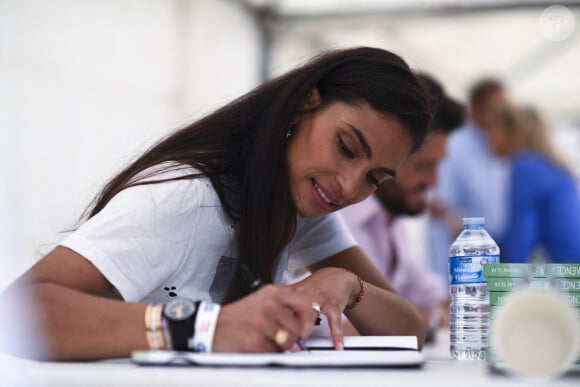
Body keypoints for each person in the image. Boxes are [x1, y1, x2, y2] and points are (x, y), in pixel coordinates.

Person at [0, 47, 431, 361]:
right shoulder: (185, 197)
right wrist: (204, 328)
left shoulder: (302, 204)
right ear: (305, 104)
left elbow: (409, 331)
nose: (349, 187)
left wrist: (346, 285)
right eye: (346, 147)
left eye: (375, 178)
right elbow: (14, 315)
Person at [340, 73, 464, 334]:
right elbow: (327, 324)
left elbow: (438, 300)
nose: (433, 182)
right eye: (424, 166)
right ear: (389, 152)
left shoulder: (390, 221)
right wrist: (424, 319)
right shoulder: (336, 215)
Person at [428, 78, 510, 290]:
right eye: (497, 107)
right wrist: (474, 239)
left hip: (484, 258)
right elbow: (438, 205)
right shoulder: (456, 145)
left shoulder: (488, 145)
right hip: (462, 263)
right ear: (477, 107)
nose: (503, 113)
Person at [486, 105, 580, 262]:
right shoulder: (545, 164)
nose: (488, 137)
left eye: (493, 130)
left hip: (568, 271)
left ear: (512, 133)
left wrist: (507, 283)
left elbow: (521, 239)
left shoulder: (525, 167)